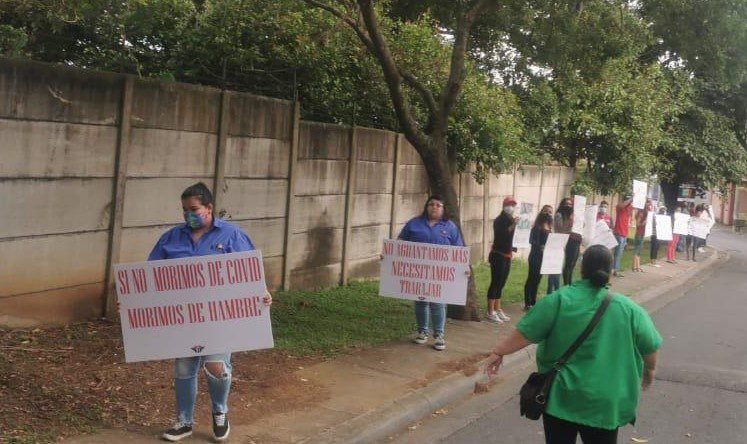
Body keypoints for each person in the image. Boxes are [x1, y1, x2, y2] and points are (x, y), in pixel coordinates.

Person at [485, 245, 662, 444]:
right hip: (604, 404)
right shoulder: (630, 310)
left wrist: (498, 352)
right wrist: (650, 371)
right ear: (611, 272)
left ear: (581, 269)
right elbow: (650, 347)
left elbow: (526, 333)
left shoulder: (559, 300)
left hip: (561, 398)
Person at [148, 182, 273, 442]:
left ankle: (220, 411)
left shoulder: (231, 236)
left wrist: (262, 293)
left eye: (194, 209)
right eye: (184, 210)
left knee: (216, 366)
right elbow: (148, 278)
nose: (188, 215)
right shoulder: (171, 238)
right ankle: (184, 421)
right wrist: (132, 301)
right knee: (183, 369)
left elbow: (249, 273)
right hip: (182, 318)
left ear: (209, 207)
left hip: (219, 319)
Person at [399, 194, 465, 350]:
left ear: (443, 209)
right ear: (426, 207)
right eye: (431, 204)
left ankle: (439, 335)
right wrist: (389, 256)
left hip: (440, 273)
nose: (434, 207)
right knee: (421, 301)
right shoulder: (414, 223)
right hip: (418, 272)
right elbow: (400, 244)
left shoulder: (450, 227)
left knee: (438, 303)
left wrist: (465, 267)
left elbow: (459, 249)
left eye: (438, 205)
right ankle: (422, 332)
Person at [486, 196, 518, 323]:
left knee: (502, 283)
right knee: (495, 282)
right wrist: (514, 225)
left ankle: (497, 308)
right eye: (510, 205)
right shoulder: (499, 220)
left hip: (507, 255)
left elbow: (510, 238)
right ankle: (490, 311)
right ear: (504, 206)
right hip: (498, 255)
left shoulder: (511, 219)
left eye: (513, 205)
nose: (512, 207)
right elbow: (502, 235)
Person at [524, 205, 553, 311]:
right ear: (541, 212)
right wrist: (541, 246)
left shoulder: (549, 227)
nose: (548, 214)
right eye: (546, 211)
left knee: (538, 280)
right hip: (535, 256)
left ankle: (533, 301)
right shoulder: (537, 226)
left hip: (544, 257)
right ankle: (528, 302)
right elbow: (533, 241)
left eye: (550, 212)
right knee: (532, 278)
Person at [554, 198, 581, 286]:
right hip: (567, 240)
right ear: (562, 204)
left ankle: (570, 282)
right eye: (566, 204)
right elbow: (561, 229)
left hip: (576, 240)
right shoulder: (559, 215)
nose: (568, 206)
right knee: (568, 263)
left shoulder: (574, 215)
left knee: (573, 263)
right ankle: (566, 284)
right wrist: (569, 220)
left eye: (570, 204)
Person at [612, 196, 634, 277]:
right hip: (619, 233)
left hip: (624, 233)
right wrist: (631, 198)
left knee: (619, 253)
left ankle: (615, 269)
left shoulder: (629, 208)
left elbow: (638, 207)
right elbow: (621, 205)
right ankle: (615, 270)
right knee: (617, 253)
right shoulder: (620, 207)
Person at [631, 199, 652, 273]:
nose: (649, 205)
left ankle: (637, 266)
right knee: (637, 250)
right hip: (639, 233)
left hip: (643, 233)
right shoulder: (641, 213)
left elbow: (651, 209)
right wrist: (644, 223)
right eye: (648, 203)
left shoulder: (646, 212)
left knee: (639, 251)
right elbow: (638, 224)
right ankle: (635, 267)